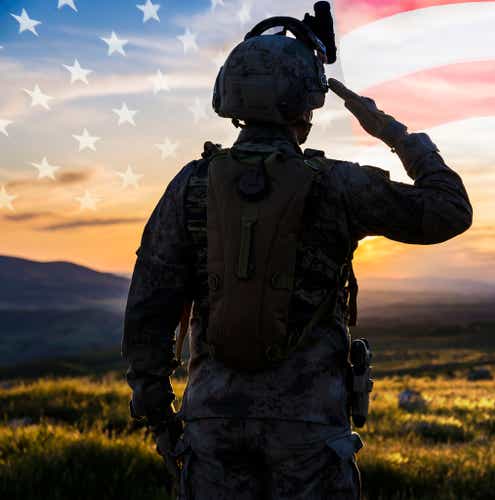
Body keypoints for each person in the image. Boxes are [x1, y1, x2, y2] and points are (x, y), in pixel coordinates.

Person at [122, 14, 472, 500]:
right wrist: (393, 132)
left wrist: (159, 412)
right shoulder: (337, 183)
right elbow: (450, 210)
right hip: (309, 436)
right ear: (305, 105)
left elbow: (149, 303)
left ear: (231, 98)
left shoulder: (191, 184)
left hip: (213, 426)